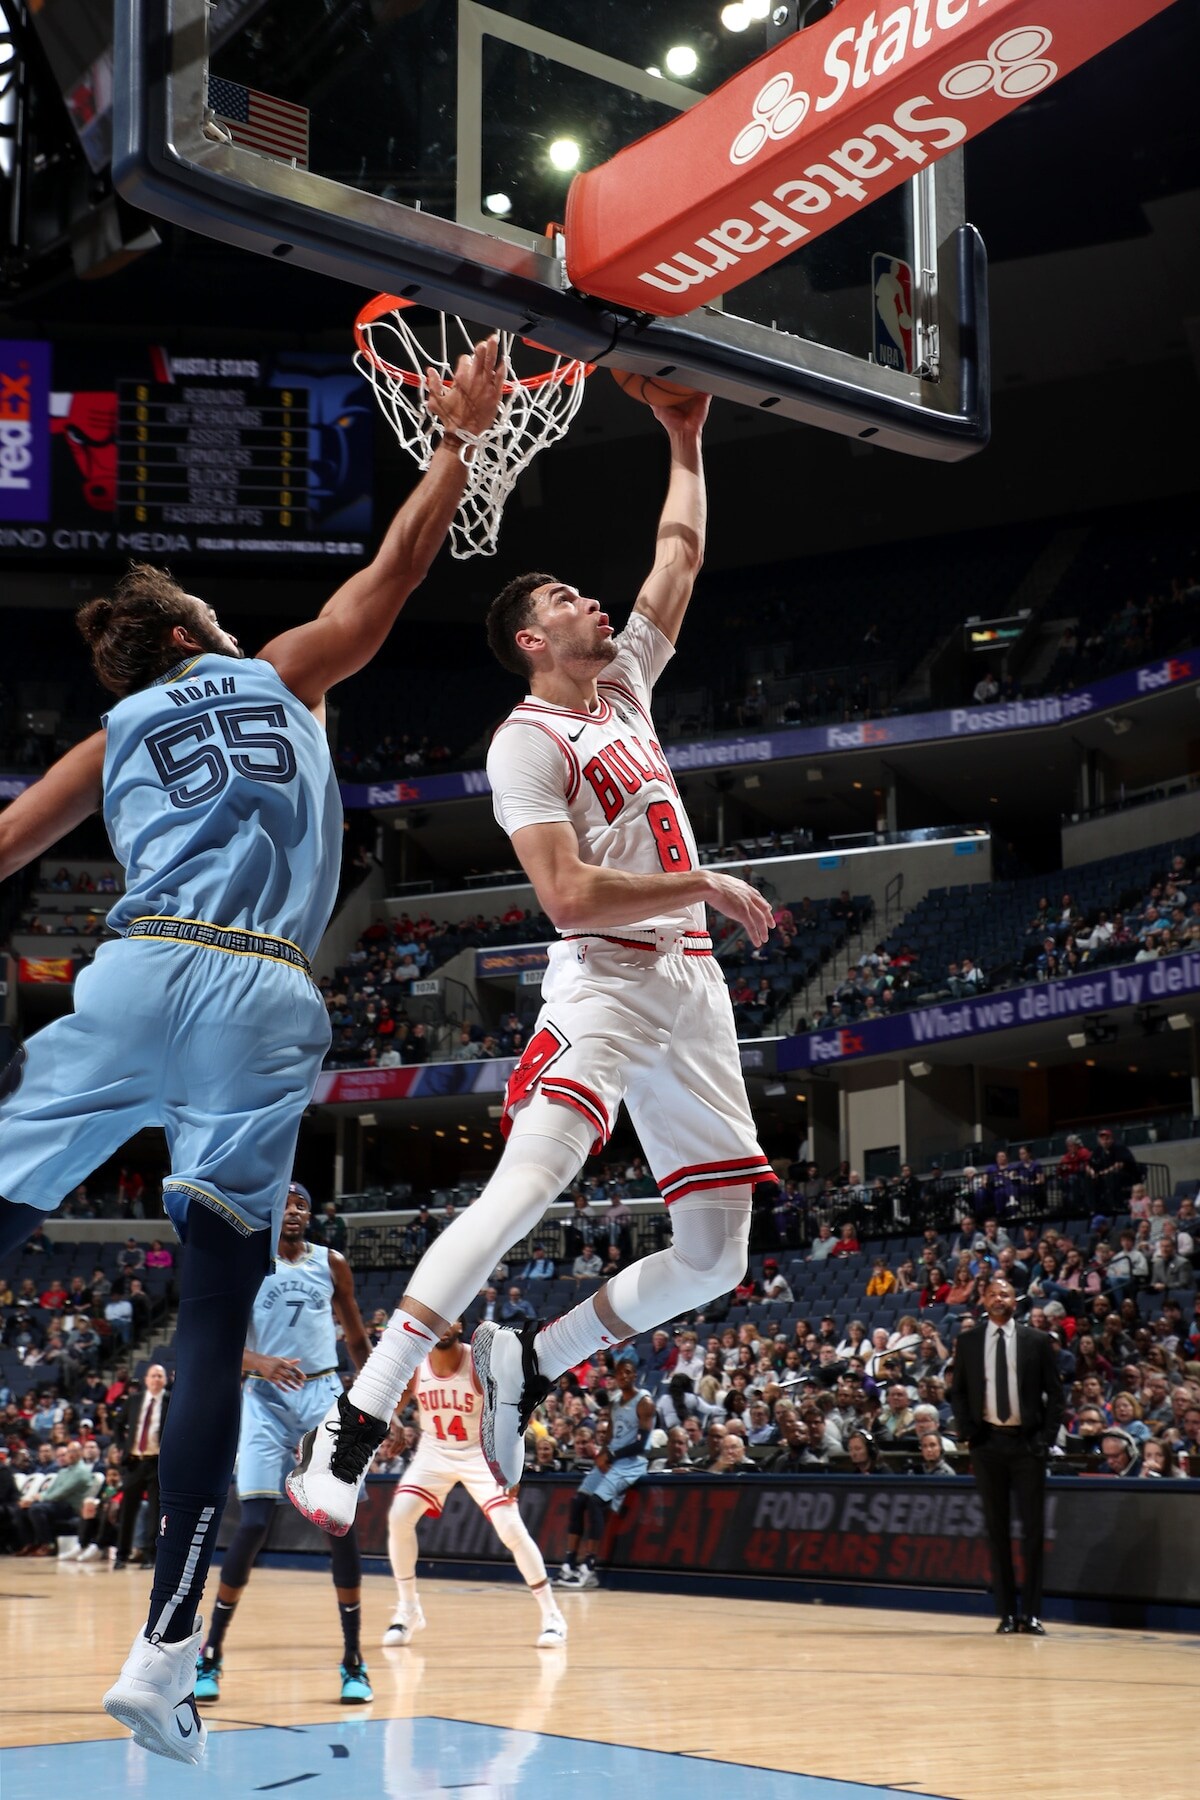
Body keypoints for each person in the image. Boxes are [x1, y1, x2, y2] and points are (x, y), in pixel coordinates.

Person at [0, 335, 504, 1763]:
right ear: (183, 632)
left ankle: (168, 1649)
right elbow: (399, 571)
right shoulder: (285, 673)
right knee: (215, 1304)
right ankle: (164, 1655)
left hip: (138, 969)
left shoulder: (109, 738)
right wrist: (457, 441)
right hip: (269, 996)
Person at [288, 388, 777, 1531]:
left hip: (691, 988)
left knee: (717, 1258)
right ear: (530, 640)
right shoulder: (527, 740)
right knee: (525, 1189)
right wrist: (700, 878)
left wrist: (685, 435)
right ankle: (355, 1425)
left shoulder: (624, 688)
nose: (594, 601)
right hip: (605, 981)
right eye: (566, 597)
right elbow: (564, 896)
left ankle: (536, 1362)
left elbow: (681, 552)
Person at [193, 1182, 374, 1706]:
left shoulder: (332, 1263)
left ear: (311, 1215)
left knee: (337, 1524)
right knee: (252, 1523)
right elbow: (221, 1341)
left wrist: (380, 1406)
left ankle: (353, 1661)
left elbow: (358, 1339)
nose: (294, 1211)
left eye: (302, 1205)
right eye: (285, 1204)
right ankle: (212, 1654)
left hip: (323, 1395)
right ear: (271, 1212)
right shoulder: (248, 1262)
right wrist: (261, 1364)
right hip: (264, 1398)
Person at [383, 1318, 566, 1647]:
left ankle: (552, 1614)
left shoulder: (479, 1364)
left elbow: (516, 1413)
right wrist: (393, 1421)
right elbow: (392, 1405)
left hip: (479, 1451)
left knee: (510, 1528)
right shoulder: (416, 1364)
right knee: (399, 1517)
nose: (441, 1325)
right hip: (434, 1450)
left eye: (448, 1319)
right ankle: (408, 1609)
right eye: (435, 1319)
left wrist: (513, 1466)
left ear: (460, 1326)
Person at [950, 1276, 1065, 1635]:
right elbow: (958, 1392)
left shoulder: (1037, 1340)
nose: (999, 1299)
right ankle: (1005, 1613)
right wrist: (969, 1431)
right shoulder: (967, 1341)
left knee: (1033, 1532)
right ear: (982, 1300)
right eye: (992, 1294)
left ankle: (1030, 1614)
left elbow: (1056, 1395)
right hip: (987, 1445)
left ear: (1015, 1300)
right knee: (996, 1531)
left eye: (1005, 1293)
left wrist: (1044, 1439)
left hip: (1026, 1445)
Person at [554, 1358, 655, 1589]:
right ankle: (569, 1564)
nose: (624, 1377)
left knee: (595, 1503)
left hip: (631, 1463)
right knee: (578, 1501)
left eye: (628, 1373)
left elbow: (641, 1444)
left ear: (635, 1376)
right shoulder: (615, 1402)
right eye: (620, 1374)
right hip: (612, 1458)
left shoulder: (645, 1402)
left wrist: (609, 1456)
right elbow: (609, 1437)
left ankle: (589, 1568)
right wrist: (602, 1454)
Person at [111, 1363, 170, 1571]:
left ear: (165, 1380)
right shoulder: (134, 1401)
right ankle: (121, 1555)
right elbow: (118, 1424)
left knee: (155, 1512)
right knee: (128, 1511)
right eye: (153, 1376)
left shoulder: (170, 1401)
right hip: (134, 1461)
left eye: (160, 1376)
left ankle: (149, 1556)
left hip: (156, 1463)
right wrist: (120, 1446)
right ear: (146, 1379)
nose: (156, 1379)